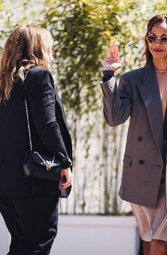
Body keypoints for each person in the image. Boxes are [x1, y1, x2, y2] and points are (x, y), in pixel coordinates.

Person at [100, 14, 167, 255]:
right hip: (141, 173)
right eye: (152, 37)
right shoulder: (131, 79)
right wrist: (109, 77)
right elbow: (114, 117)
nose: (156, 43)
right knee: (149, 239)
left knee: (161, 241)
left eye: (163, 38)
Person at [0, 25, 73, 254]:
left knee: (22, 245)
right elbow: (47, 124)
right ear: (39, 48)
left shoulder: (4, 83)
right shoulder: (39, 76)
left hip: (6, 183)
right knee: (37, 245)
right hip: (34, 179)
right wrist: (65, 162)